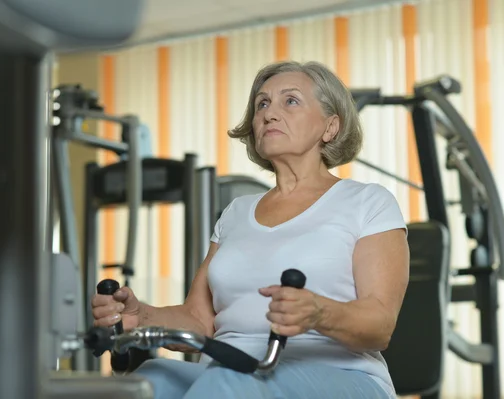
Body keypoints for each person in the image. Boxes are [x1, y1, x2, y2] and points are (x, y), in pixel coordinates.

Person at [91, 60, 410, 399]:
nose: (269, 114)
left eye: (290, 101)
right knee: (146, 381)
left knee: (226, 383)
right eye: (262, 103)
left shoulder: (367, 202)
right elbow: (200, 319)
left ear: (330, 127)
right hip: (231, 371)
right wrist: (142, 317)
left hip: (345, 376)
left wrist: (319, 312)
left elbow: (380, 326)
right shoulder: (236, 213)